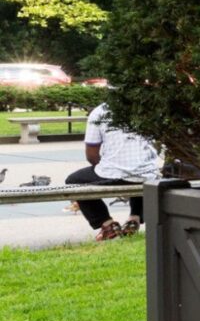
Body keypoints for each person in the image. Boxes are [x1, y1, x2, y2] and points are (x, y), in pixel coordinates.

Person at [67, 102, 162, 241]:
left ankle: (106, 224)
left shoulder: (100, 112)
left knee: (73, 181)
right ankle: (135, 218)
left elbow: (91, 155)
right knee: (139, 173)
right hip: (149, 173)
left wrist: (109, 167)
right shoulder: (148, 107)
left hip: (114, 173)